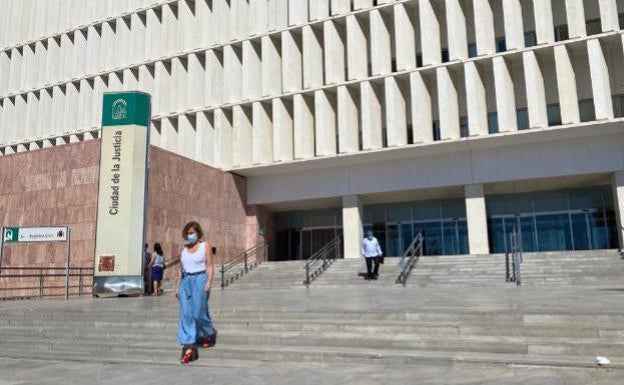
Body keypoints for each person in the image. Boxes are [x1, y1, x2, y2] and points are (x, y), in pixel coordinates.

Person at [175, 221, 217, 364]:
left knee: (198, 312)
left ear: (198, 232)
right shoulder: (183, 249)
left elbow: (210, 265)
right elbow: (180, 270)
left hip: (200, 279)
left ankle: (207, 332)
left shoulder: (205, 246)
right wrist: (177, 288)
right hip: (185, 282)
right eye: (187, 233)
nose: (189, 235)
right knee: (185, 314)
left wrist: (208, 282)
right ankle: (189, 349)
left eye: (192, 232)